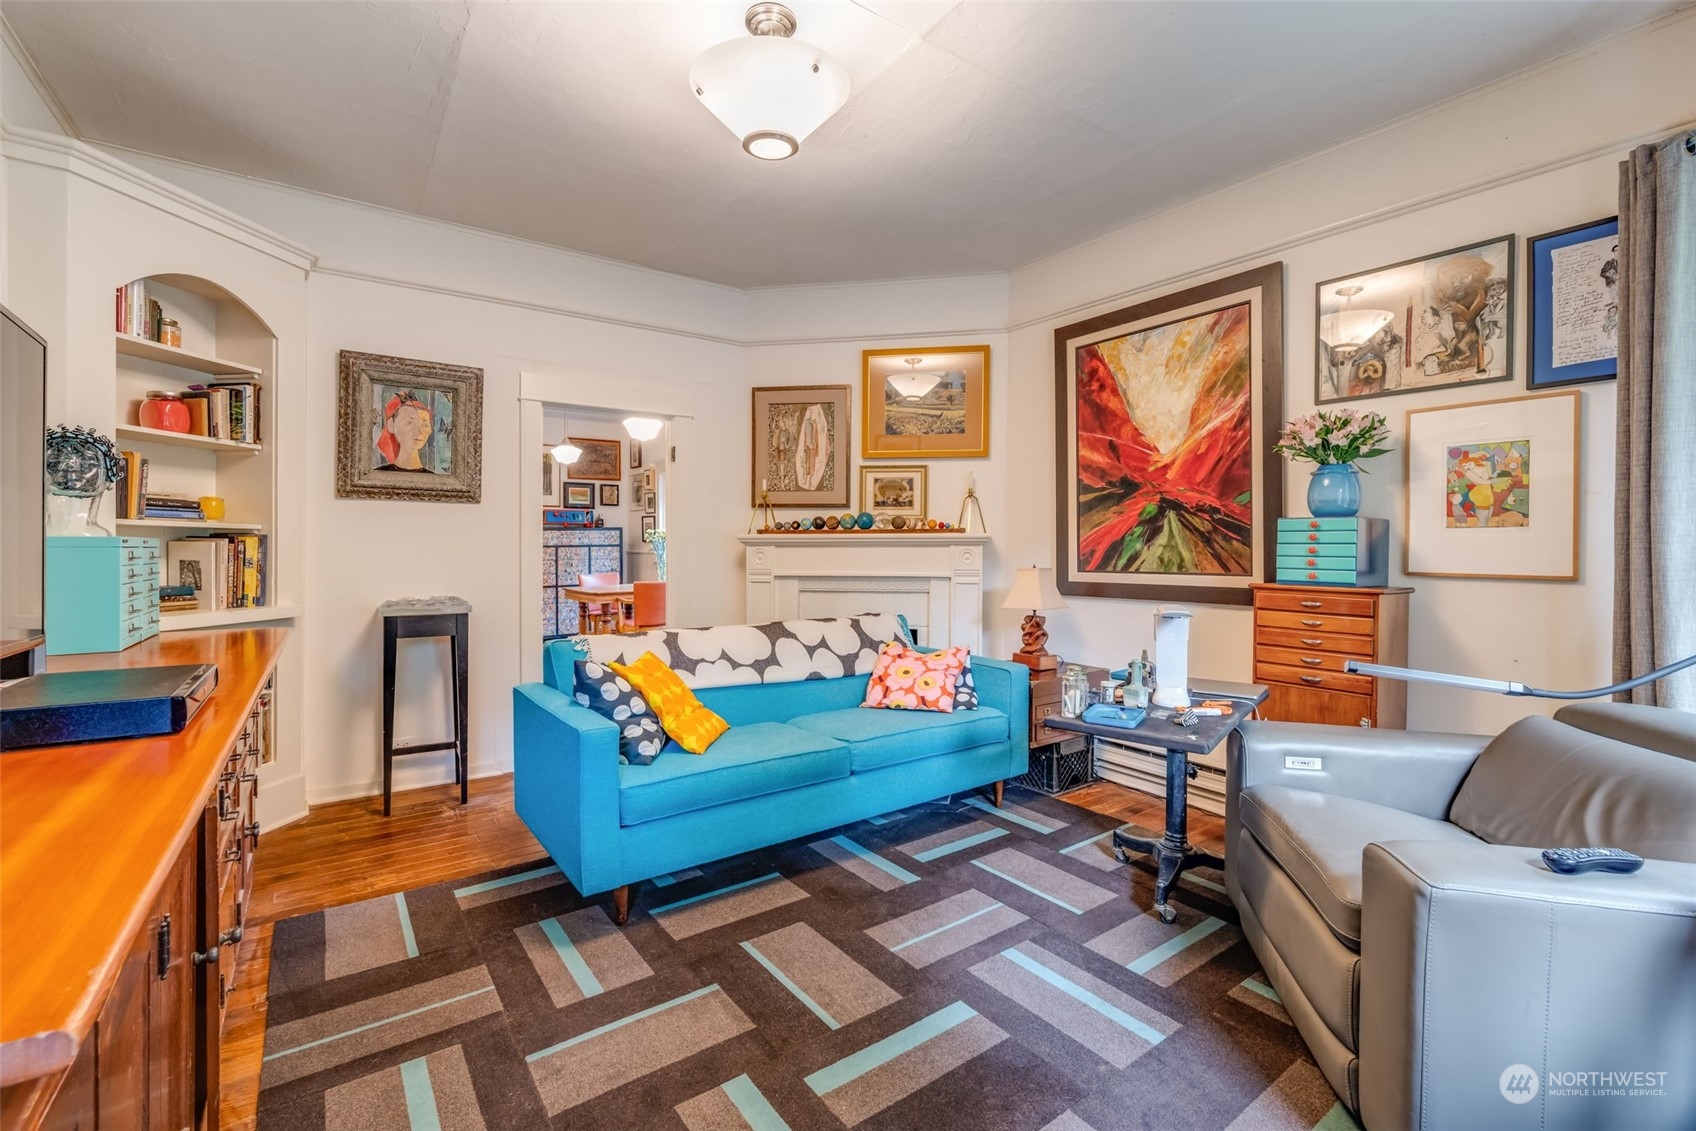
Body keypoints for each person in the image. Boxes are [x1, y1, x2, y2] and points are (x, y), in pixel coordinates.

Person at [376, 390, 437, 473]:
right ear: (391, 424)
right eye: (409, 423)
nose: (419, 432)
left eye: (425, 425)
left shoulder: (434, 479)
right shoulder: (379, 474)